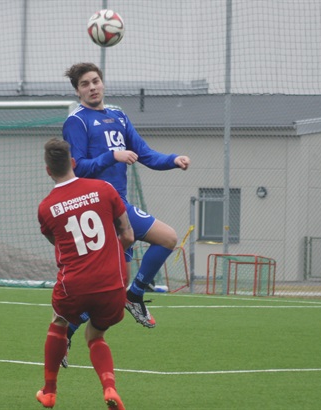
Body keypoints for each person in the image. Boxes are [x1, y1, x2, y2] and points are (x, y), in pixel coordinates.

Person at [62, 62, 190, 330]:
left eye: (95, 81)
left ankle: (131, 296)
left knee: (162, 243)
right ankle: (70, 329)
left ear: (103, 83)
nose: (92, 87)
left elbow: (145, 153)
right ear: (77, 91)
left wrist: (172, 160)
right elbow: (78, 168)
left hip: (119, 206)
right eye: (85, 84)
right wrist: (113, 156)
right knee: (106, 288)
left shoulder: (118, 116)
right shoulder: (77, 121)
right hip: (97, 208)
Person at [36, 138, 133, 410]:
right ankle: (109, 387)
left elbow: (59, 243)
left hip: (75, 285)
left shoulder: (46, 208)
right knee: (96, 335)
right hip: (112, 284)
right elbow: (128, 234)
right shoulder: (104, 188)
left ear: (48, 170)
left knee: (59, 322)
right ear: (73, 162)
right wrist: (110, 254)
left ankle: (49, 391)